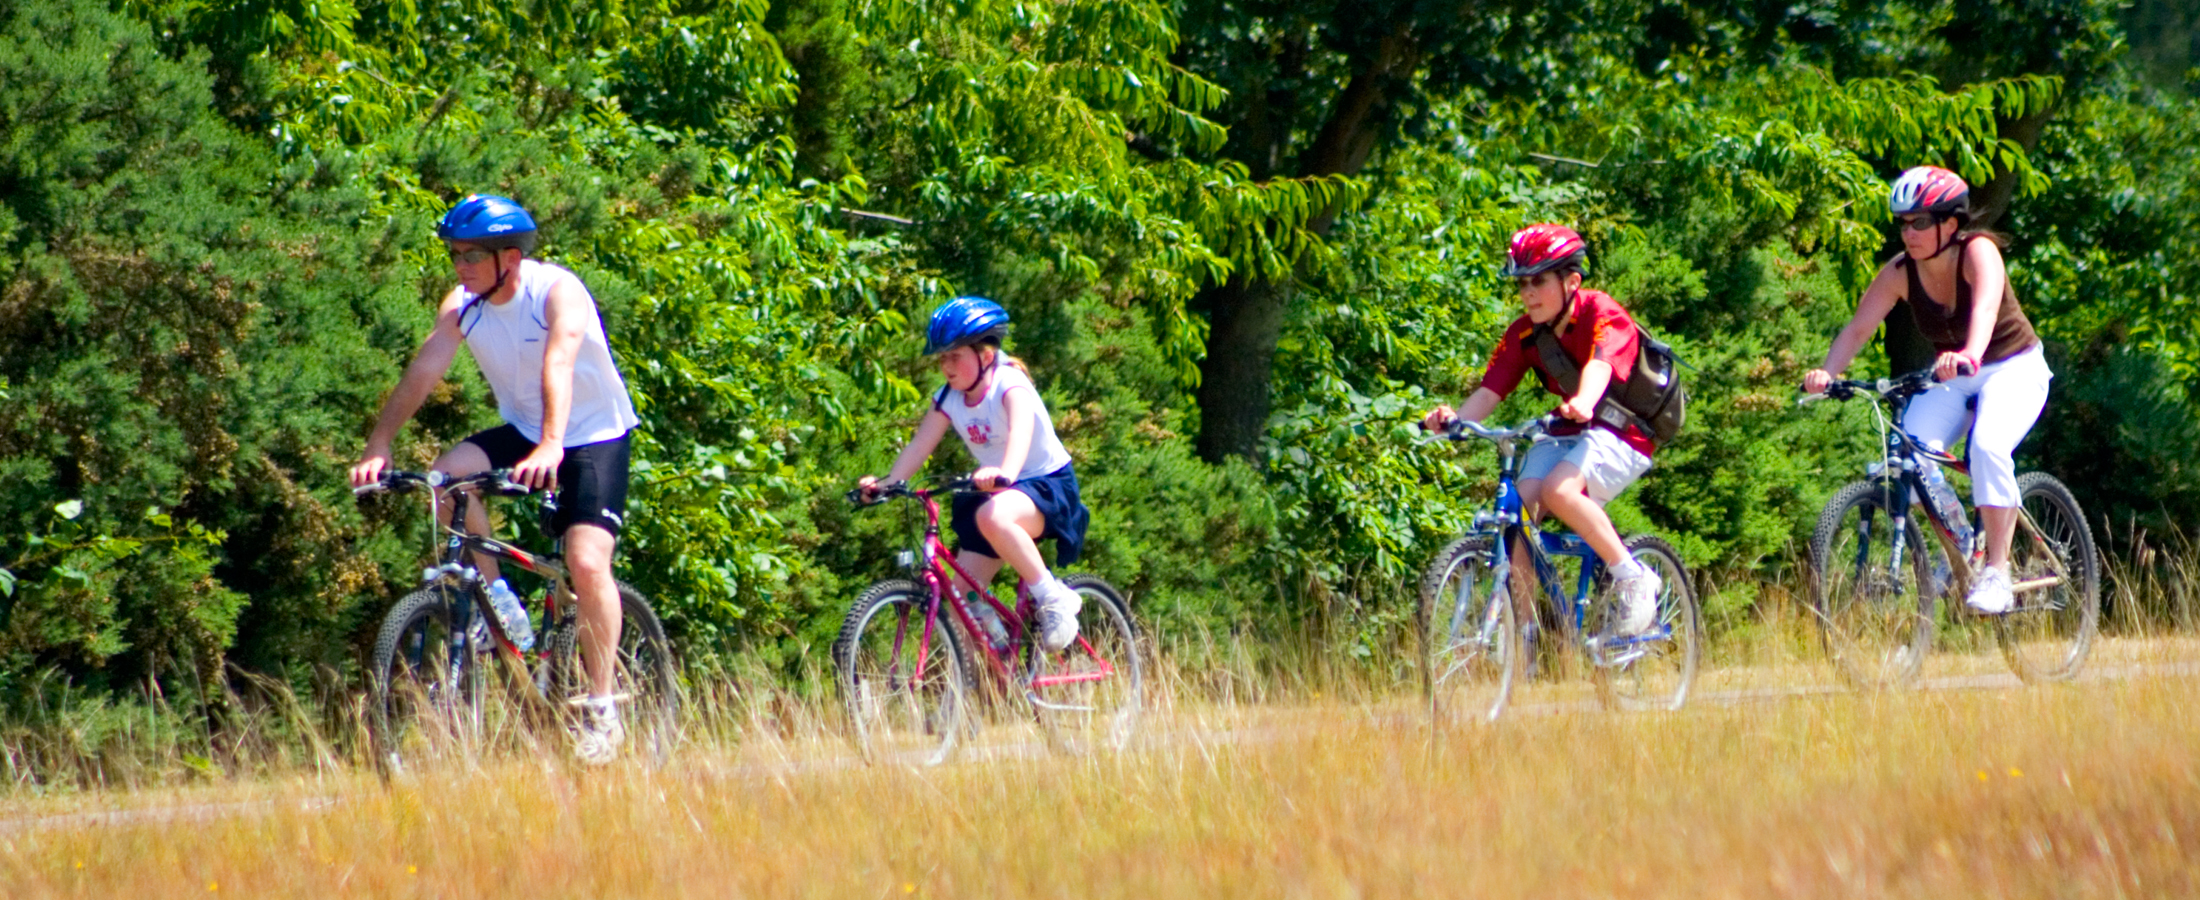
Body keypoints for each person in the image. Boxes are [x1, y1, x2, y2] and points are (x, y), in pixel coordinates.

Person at [349, 194, 641, 764]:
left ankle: (603, 706)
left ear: (510, 256)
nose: (460, 266)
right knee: (444, 478)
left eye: (472, 255)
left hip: (593, 432)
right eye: (454, 254)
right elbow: (425, 370)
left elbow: (557, 363)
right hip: (527, 428)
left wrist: (553, 444)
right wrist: (379, 445)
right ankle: (498, 597)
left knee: (584, 563)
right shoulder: (462, 305)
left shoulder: (557, 292)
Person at [1803, 166, 2049, 615]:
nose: (1908, 233)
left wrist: (1971, 352)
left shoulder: (1979, 252)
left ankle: (1997, 570)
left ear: (1949, 224)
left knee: (1990, 448)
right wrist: (1827, 374)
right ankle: (1957, 548)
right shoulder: (1899, 273)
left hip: (2013, 367)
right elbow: (1858, 330)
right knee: (1910, 455)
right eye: (1903, 223)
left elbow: (1988, 306)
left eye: (1919, 222)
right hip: (1953, 373)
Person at [1420, 224, 1664, 636]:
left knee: (1559, 490)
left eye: (1538, 281)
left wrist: (1584, 401)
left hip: (1627, 431)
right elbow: (1489, 391)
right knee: (1518, 512)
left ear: (1572, 281)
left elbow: (1600, 365)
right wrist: (1454, 421)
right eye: (1521, 284)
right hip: (1573, 428)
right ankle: (1525, 638)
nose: (1527, 293)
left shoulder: (1602, 312)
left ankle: (1634, 577)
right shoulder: (1524, 334)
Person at [857, 297, 1091, 650]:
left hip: (1046, 487)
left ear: (984, 356)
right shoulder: (949, 396)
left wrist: (1006, 473)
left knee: (993, 515)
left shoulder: (1009, 383)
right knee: (960, 600)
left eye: (955, 355)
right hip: (998, 494)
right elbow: (920, 447)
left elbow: (1020, 432)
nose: (946, 366)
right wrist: (886, 484)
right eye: (942, 358)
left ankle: (1054, 598)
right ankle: (997, 691)